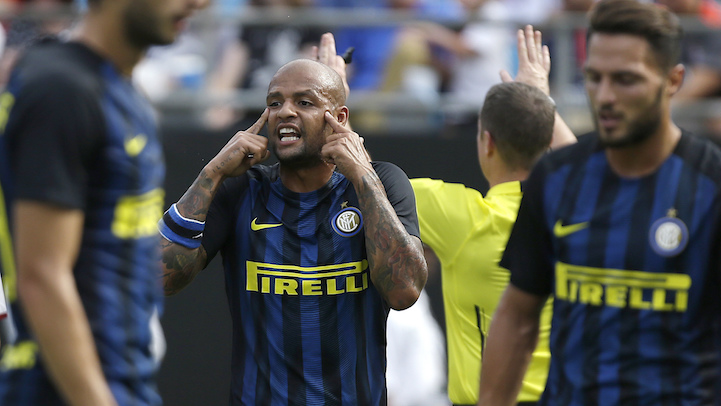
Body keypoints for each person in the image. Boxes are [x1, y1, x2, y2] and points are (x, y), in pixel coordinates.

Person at [479, 1, 721, 405]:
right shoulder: (555, 178)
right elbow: (517, 316)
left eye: (625, 80)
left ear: (673, 80)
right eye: (594, 78)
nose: (605, 96)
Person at [158, 33, 427, 405]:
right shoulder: (239, 191)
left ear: (340, 119)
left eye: (304, 102)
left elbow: (405, 291)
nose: (284, 111)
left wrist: (363, 176)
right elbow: (158, 279)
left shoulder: (382, 182)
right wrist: (211, 174)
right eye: (274, 102)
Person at [0, 0, 210, 405]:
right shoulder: (60, 88)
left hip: (123, 386)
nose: (199, 3)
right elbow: (42, 275)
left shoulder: (125, 95)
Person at [411, 25, 575, 406]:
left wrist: (334, 105)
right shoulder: (579, 210)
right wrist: (542, 100)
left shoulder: (461, 216)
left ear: (487, 142)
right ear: (545, 138)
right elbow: (592, 171)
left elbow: (359, 173)